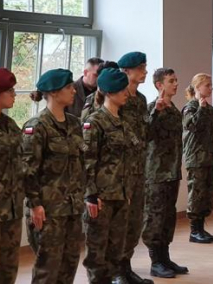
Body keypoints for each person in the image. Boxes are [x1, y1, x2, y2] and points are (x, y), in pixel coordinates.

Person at [21, 69, 84, 284]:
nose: (74, 90)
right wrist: (35, 205)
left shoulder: (75, 124)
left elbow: (80, 164)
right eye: (68, 87)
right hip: (49, 209)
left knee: (69, 264)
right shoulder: (37, 126)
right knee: (48, 268)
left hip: (73, 208)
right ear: (54, 93)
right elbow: (28, 170)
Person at [81, 68, 132, 284]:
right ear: (110, 92)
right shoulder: (95, 122)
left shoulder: (122, 121)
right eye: (122, 90)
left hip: (119, 194)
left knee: (115, 250)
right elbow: (87, 161)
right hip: (101, 197)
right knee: (97, 252)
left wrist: (126, 190)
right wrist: (90, 195)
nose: (127, 94)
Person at [142, 68, 188, 278]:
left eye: (176, 80)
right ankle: (155, 261)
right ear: (159, 85)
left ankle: (165, 257)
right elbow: (145, 135)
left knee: (168, 217)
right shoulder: (153, 108)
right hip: (156, 173)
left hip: (172, 171)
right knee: (155, 218)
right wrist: (156, 113)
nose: (176, 84)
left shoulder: (174, 109)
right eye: (171, 81)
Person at [116, 51, 153, 284]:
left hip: (139, 170)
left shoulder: (139, 100)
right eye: (141, 68)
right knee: (119, 223)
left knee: (135, 222)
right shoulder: (110, 98)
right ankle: (116, 271)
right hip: (118, 172)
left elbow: (144, 135)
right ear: (126, 71)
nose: (145, 72)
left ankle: (126, 266)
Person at [0, 68, 22, 284]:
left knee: (8, 269)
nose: (14, 95)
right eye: (9, 91)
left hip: (11, 209)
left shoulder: (10, 125)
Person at [182, 74, 213, 243]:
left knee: (206, 194)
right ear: (197, 88)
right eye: (207, 85)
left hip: (209, 157)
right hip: (196, 158)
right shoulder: (190, 107)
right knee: (196, 194)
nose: (210, 88)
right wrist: (201, 109)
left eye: (211, 85)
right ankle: (194, 230)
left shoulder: (210, 109)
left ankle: (201, 228)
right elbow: (192, 126)